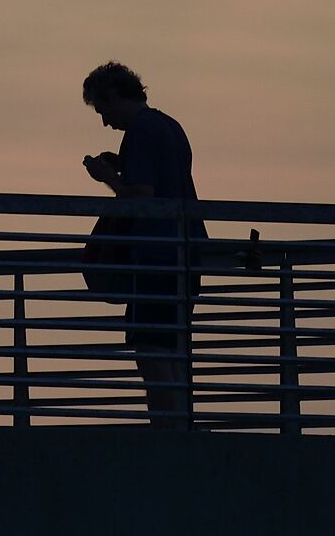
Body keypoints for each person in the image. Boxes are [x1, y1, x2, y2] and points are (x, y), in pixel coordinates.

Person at [81, 61, 205, 428]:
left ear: (117, 96)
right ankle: (179, 427)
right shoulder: (170, 127)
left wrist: (107, 178)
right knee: (174, 350)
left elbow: (141, 195)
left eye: (103, 110)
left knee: (151, 351)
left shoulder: (140, 131)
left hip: (154, 257)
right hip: (185, 254)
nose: (105, 121)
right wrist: (124, 167)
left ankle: (167, 432)